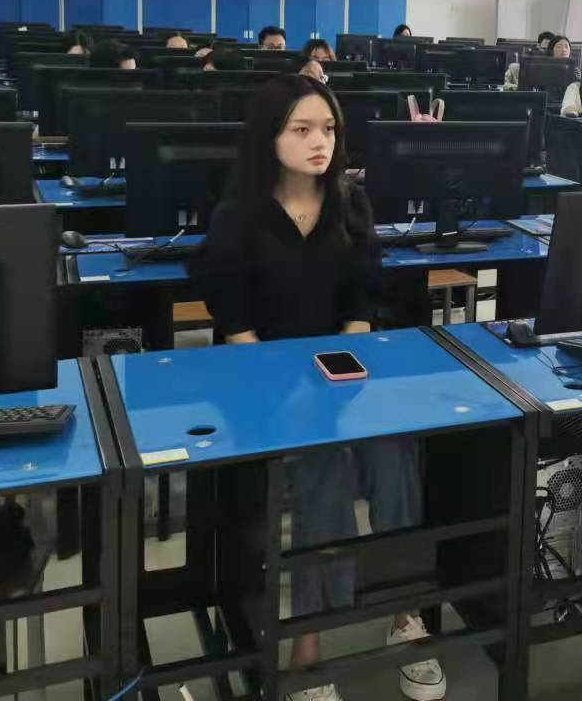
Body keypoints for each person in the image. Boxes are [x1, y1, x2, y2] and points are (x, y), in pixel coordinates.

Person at [189, 76, 445, 701]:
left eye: (328, 129)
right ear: (269, 138)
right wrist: (296, 394)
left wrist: (344, 375)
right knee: (321, 463)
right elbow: (235, 324)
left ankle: (404, 611)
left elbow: (363, 297)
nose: (319, 142)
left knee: (395, 449)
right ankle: (308, 643)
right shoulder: (237, 216)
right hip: (264, 378)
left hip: (340, 372)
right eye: (301, 129)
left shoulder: (349, 203)